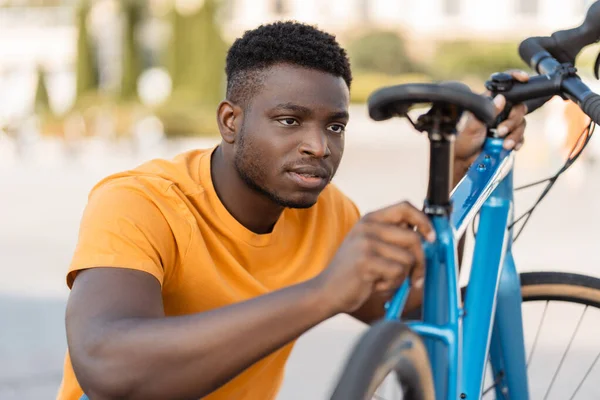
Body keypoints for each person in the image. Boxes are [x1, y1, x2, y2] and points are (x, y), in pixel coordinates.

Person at [57, 21, 527, 400]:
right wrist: (324, 292)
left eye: (335, 126)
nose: (318, 146)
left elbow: (415, 308)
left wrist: (461, 168)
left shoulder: (325, 213)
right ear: (230, 121)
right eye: (289, 121)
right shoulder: (140, 201)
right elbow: (106, 364)